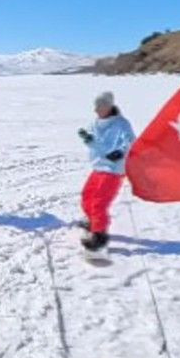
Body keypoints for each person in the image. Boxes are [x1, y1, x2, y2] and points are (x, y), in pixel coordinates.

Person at [77, 91, 135, 251]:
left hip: (113, 169)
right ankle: (92, 222)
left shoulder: (121, 123)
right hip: (98, 166)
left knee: (99, 202)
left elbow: (130, 141)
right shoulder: (95, 123)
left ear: (108, 107)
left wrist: (121, 151)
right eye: (96, 107)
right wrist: (87, 138)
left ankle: (99, 236)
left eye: (100, 107)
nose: (96, 110)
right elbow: (95, 143)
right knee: (87, 196)